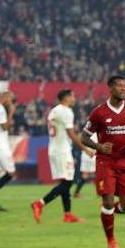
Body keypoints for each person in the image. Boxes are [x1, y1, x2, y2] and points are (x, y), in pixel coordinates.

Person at [80, 76, 125, 248]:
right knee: (107, 200)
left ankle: (108, 213)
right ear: (110, 88)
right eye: (119, 86)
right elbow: (83, 137)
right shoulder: (99, 112)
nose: (124, 89)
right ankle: (111, 241)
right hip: (105, 162)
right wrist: (99, 146)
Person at [31, 89, 86, 223]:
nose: (74, 98)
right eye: (72, 96)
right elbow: (71, 134)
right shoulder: (66, 111)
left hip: (54, 149)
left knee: (64, 182)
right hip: (62, 151)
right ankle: (40, 203)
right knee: (68, 182)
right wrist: (84, 148)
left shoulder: (53, 111)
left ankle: (67, 214)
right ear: (66, 98)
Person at [73, 133, 97, 198]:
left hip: (85, 154)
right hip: (93, 154)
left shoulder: (85, 131)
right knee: (99, 174)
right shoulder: (98, 131)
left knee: (85, 175)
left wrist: (85, 150)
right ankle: (100, 192)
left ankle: (76, 192)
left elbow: (78, 139)